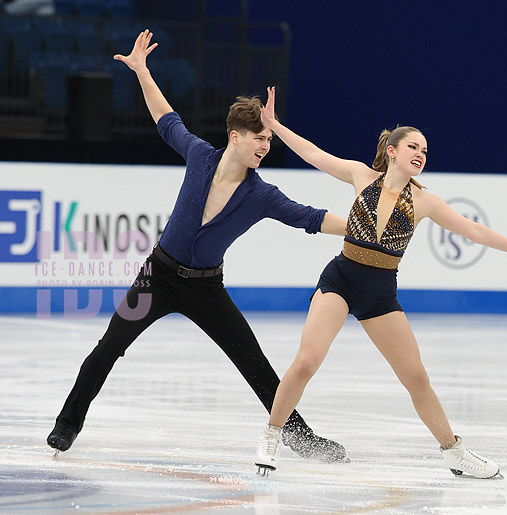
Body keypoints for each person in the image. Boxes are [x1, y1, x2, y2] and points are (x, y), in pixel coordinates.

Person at [47, 30, 349, 464]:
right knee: (109, 346)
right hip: (157, 277)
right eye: (259, 138)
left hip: (206, 289)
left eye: (269, 140)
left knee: (254, 362)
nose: (266, 146)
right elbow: (166, 118)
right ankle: (67, 424)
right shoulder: (200, 156)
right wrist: (141, 71)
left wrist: (362, 229)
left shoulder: (262, 195)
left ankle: (302, 438)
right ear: (235, 136)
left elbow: (311, 217)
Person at [254, 86, 507, 478]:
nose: (421, 154)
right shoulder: (360, 176)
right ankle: (272, 434)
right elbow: (313, 153)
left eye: (426, 151)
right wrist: (274, 125)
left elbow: (473, 231)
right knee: (307, 361)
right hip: (342, 280)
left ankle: (454, 452)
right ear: (393, 151)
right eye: (414, 146)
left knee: (416, 377)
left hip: (380, 292)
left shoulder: (425, 202)